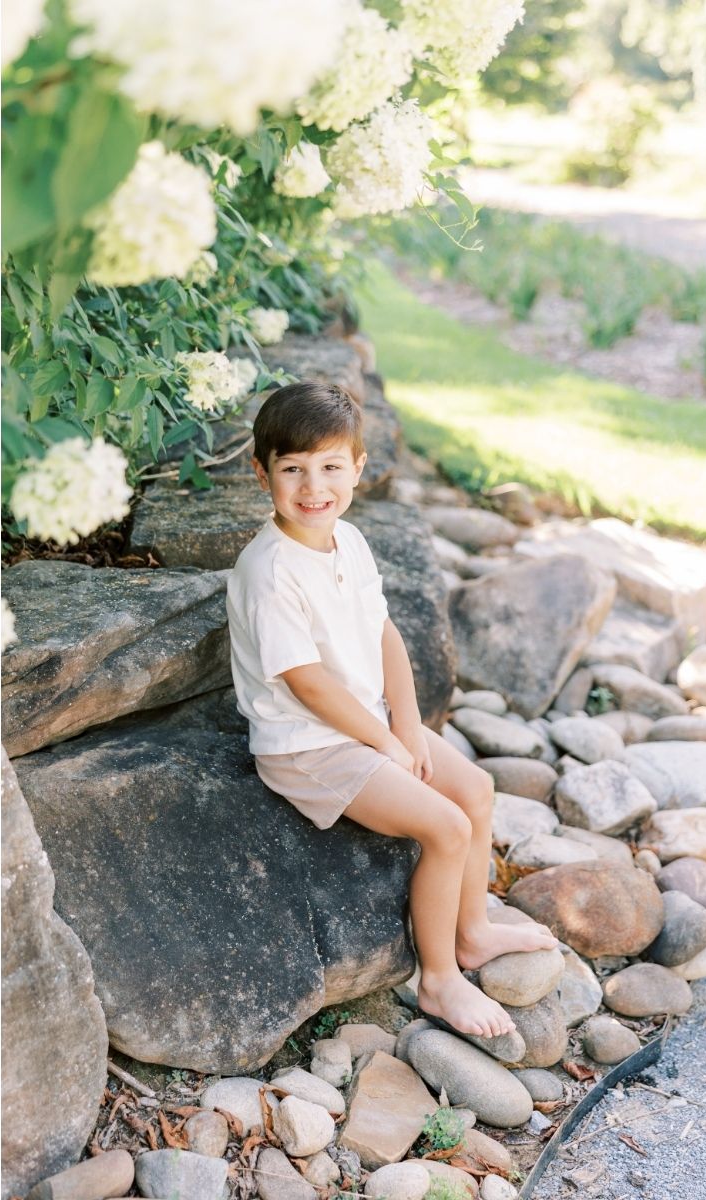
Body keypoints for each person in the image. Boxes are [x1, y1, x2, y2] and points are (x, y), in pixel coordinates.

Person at [227, 381, 558, 1039]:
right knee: (445, 827)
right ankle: (439, 981)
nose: (312, 485)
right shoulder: (269, 571)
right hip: (308, 746)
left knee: (476, 790)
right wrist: (383, 742)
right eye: (292, 469)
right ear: (262, 472)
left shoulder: (347, 540)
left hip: (367, 721)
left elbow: (383, 634)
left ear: (358, 467)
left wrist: (406, 726)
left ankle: (472, 931)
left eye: (329, 467)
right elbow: (308, 684)